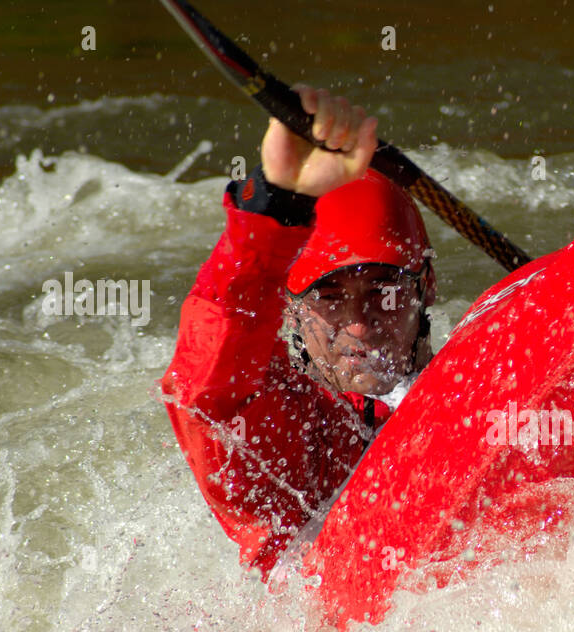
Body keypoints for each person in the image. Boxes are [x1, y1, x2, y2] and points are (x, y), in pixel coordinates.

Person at [161, 86, 436, 579]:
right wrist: (277, 205)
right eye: (329, 299)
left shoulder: (478, 375)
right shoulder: (302, 435)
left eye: (382, 291)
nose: (358, 324)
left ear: (427, 287)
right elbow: (208, 395)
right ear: (291, 312)